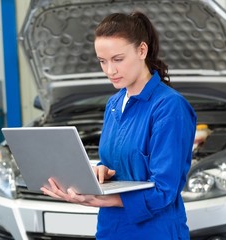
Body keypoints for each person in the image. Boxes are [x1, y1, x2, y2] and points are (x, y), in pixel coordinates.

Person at [40, 11, 196, 239]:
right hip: (110, 229)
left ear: (142, 50)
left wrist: (100, 199)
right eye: (102, 61)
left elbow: (164, 190)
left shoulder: (169, 107)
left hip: (155, 231)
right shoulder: (114, 104)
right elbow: (118, 160)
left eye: (117, 59)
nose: (109, 71)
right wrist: (101, 172)